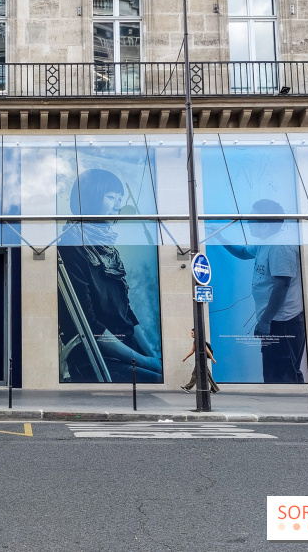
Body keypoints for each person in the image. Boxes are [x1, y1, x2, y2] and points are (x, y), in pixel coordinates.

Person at [58, 168, 163, 383]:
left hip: (126, 350)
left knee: (164, 376)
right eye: (111, 197)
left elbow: (127, 314)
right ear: (91, 199)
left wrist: (151, 356)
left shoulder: (108, 249)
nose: (118, 205)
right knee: (156, 382)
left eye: (120, 198)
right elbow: (89, 324)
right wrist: (143, 361)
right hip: (96, 357)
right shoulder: (71, 245)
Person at [215, 199, 306, 383]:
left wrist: (265, 320)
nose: (247, 223)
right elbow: (242, 253)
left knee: (284, 375)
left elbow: (282, 285)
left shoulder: (280, 246)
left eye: (251, 219)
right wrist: (219, 238)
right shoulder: (265, 242)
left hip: (283, 321)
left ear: (264, 225)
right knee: (273, 372)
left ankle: (288, 409)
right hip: (274, 321)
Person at [181, 329, 219, 394]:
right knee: (207, 375)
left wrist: (213, 359)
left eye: (192, 333)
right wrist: (186, 357)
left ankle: (187, 387)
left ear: (196, 333)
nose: (191, 335)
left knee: (195, 374)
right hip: (200, 360)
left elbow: (207, 351)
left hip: (202, 360)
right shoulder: (195, 341)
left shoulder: (200, 341)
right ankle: (214, 388)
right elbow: (192, 351)